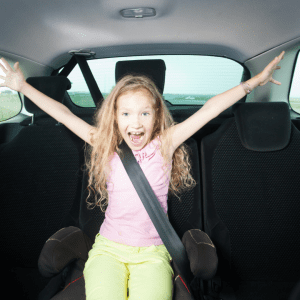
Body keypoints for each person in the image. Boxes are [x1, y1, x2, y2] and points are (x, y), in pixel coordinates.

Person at [0, 51, 284, 300]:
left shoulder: (166, 144)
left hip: (152, 255)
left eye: (144, 114)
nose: (135, 123)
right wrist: (21, 85)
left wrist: (252, 83)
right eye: (125, 114)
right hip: (108, 251)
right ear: (114, 117)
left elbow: (210, 109)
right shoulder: (105, 144)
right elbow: (63, 113)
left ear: (157, 115)